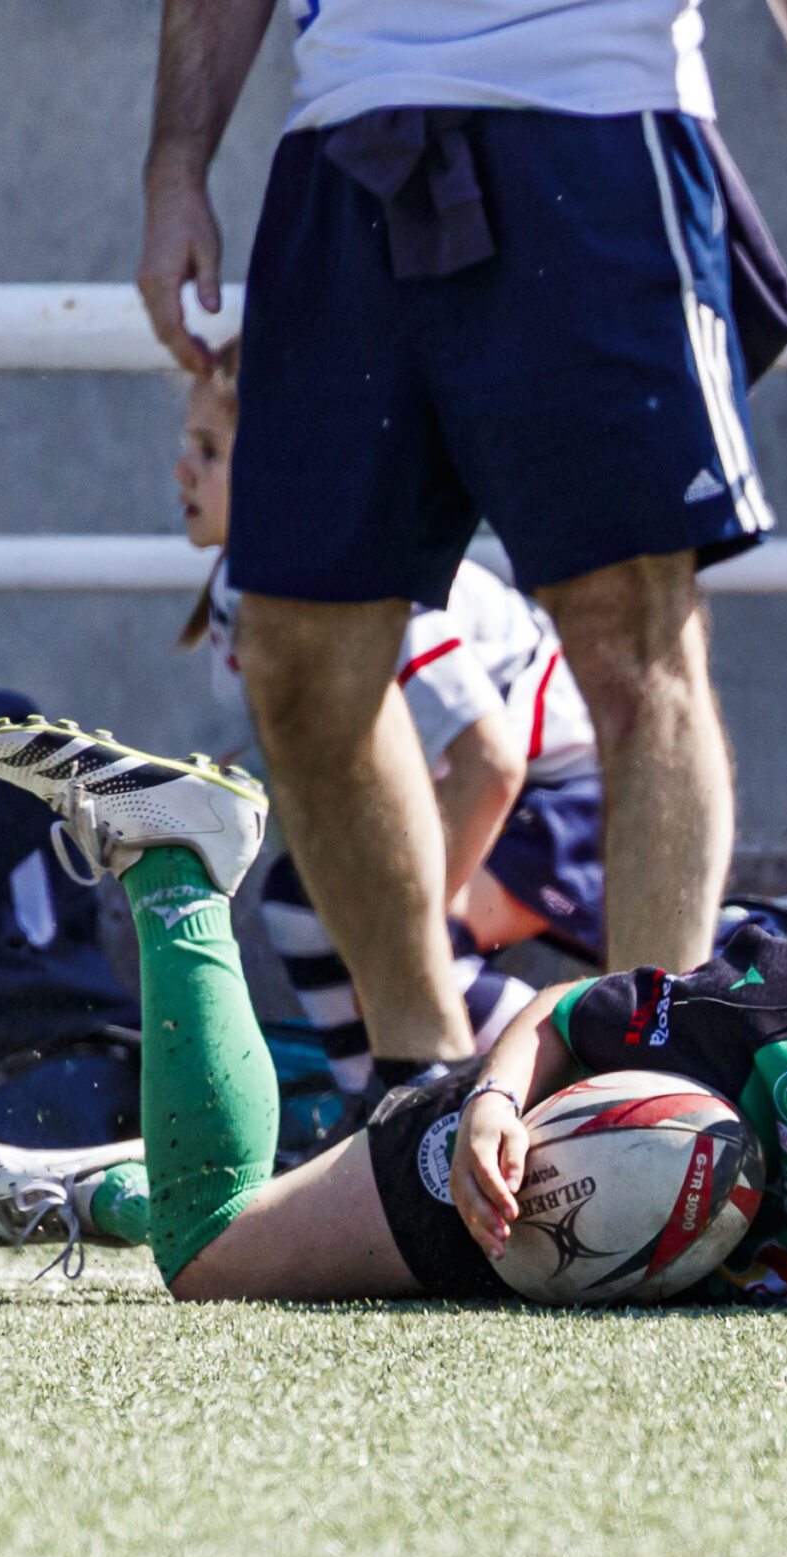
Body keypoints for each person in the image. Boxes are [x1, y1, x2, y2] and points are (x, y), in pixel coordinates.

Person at [137, 0, 787, 1092]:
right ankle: (417, 1089)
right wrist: (175, 169)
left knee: (630, 643)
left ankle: (649, 1093)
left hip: (595, 118)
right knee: (295, 656)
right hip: (343, 139)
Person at [0, 732, 787, 1309]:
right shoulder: (778, 1010)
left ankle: (118, 1188)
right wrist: (496, 1104)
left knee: (230, 1226)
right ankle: (178, 865)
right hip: (519, 1174)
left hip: (613, 1259)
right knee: (211, 1261)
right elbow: (564, 1009)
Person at [173, 341, 604, 1101]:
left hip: (564, 806)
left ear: (286, 464)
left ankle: (604, 1074)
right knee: (303, 900)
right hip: (495, 799)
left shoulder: (370, 579)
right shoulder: (240, 595)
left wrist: (411, 930)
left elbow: (493, 764)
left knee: (383, 941)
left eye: (209, 451)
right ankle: (380, 1117)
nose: (182, 471)